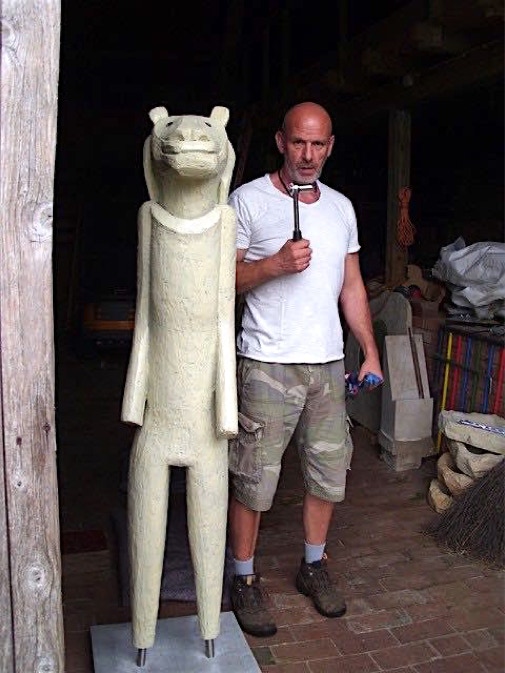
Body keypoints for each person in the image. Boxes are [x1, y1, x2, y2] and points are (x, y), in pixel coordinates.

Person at [227, 101, 383, 638]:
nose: (308, 154)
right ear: (281, 141)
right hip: (267, 362)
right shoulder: (247, 200)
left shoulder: (341, 208)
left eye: (318, 144)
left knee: (328, 471)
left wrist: (370, 350)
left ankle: (313, 565)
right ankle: (244, 578)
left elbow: (351, 285)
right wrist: (274, 265)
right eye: (299, 142)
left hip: (328, 364)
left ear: (330, 146)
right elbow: (221, 280)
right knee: (253, 476)